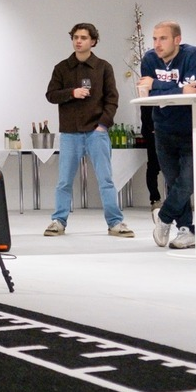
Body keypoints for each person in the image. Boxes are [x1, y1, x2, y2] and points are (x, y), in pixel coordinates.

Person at [44, 22, 135, 238]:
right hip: (70, 133)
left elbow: (112, 99)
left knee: (106, 180)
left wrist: (103, 125)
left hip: (97, 132)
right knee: (64, 180)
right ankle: (58, 221)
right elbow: (51, 95)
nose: (78, 41)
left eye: (83, 37)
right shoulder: (62, 68)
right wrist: (71, 93)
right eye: (75, 37)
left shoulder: (104, 67)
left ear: (92, 41)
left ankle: (115, 222)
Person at [139, 21, 196, 250]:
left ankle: (164, 217)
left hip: (192, 127)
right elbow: (145, 91)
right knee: (173, 181)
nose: (157, 44)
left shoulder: (192, 55)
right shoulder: (149, 59)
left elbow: (195, 90)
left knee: (188, 181)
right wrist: (177, 88)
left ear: (177, 39)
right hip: (163, 128)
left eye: (163, 39)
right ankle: (186, 229)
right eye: (154, 39)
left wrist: (156, 84)